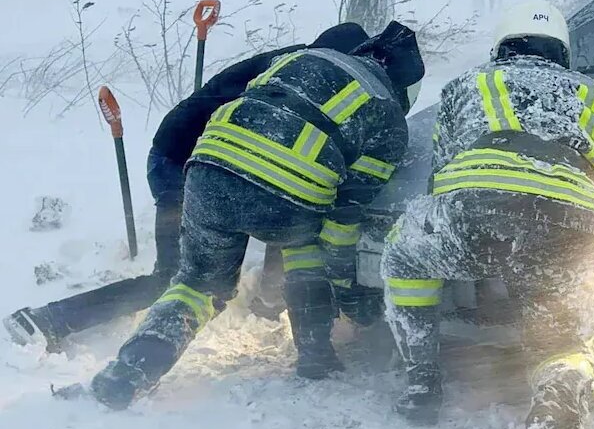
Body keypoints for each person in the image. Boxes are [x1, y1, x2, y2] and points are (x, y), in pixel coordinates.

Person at [61, 21, 424, 410]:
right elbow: (343, 219)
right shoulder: (387, 117)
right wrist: (347, 290)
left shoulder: (298, 59)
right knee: (307, 247)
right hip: (285, 199)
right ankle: (315, 357)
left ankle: (129, 372)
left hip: (206, 174)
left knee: (197, 286)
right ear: (404, 87)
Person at [381, 1, 594, 429]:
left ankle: (422, 380)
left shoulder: (467, 85)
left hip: (476, 210)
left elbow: (442, 173)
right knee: (568, 336)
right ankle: (559, 399)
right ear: (561, 51)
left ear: (501, 46)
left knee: (405, 258)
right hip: (570, 220)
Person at [4, 23, 371, 349]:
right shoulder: (300, 76)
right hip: (183, 165)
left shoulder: (299, 67)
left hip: (217, 164)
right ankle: (47, 319)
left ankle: (266, 302)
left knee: (288, 206)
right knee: (173, 278)